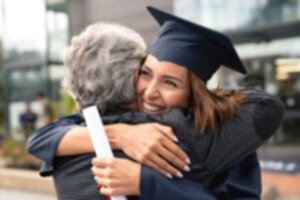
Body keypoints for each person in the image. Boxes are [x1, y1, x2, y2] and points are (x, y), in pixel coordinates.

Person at [27, 7, 284, 200]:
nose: (150, 92)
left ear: (194, 93)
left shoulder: (215, 134)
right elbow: (42, 138)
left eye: (170, 83)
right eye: (146, 74)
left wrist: (144, 181)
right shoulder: (112, 123)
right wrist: (120, 135)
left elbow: (266, 107)